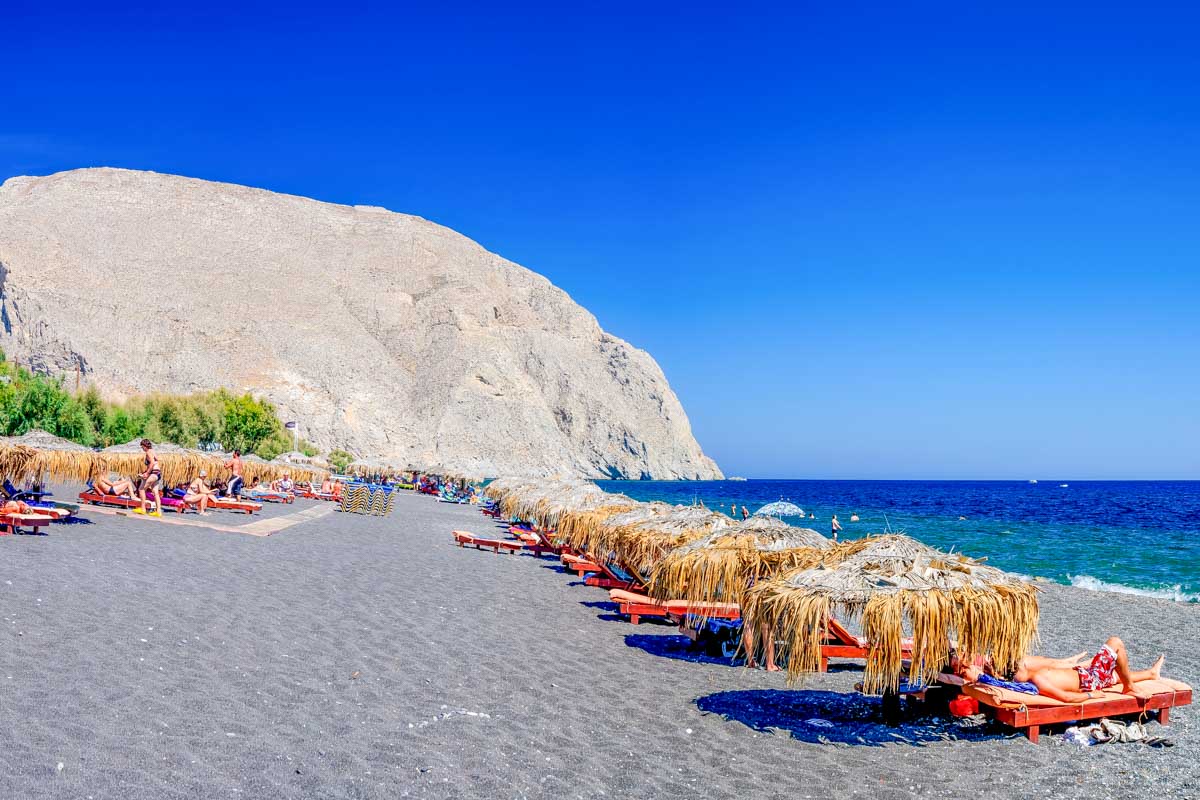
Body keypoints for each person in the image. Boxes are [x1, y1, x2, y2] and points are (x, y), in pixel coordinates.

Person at [961, 638, 1164, 702]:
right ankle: (1130, 687)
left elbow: (997, 681)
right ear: (1017, 674)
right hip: (1089, 680)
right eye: (1020, 666)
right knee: (1115, 642)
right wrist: (1092, 695)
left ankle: (1150, 674)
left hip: (1085, 675)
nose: (1023, 664)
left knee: (1113, 676)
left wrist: (983, 675)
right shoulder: (1037, 680)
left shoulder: (1029, 676)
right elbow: (1066, 698)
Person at [133, 439, 163, 516]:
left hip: (153, 473)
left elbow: (152, 463)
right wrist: (144, 472)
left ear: (145, 446)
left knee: (141, 489)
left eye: (142, 447)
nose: (142, 448)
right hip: (158, 473)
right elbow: (154, 463)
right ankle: (158, 511)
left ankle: (143, 509)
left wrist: (146, 473)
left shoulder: (148, 452)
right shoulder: (153, 451)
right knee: (155, 492)